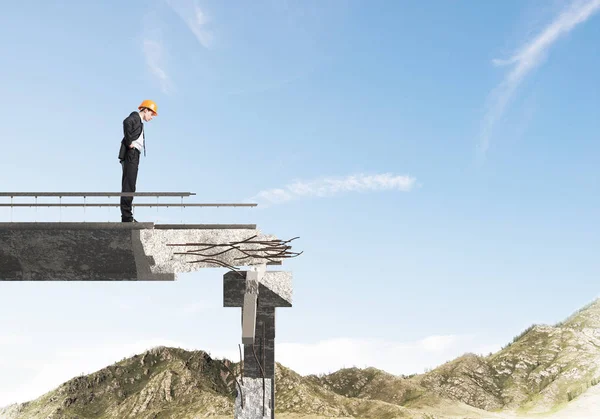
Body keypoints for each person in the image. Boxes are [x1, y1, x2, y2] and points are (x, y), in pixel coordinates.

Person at [118, 100, 158, 222]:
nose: (151, 118)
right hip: (131, 153)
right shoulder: (135, 117)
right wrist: (129, 142)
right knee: (129, 185)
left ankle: (127, 216)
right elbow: (126, 122)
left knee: (130, 185)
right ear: (145, 110)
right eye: (151, 114)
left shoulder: (139, 122)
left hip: (134, 154)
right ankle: (126, 217)